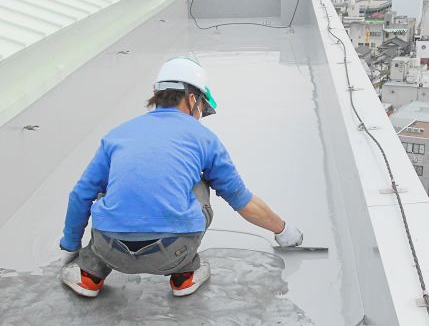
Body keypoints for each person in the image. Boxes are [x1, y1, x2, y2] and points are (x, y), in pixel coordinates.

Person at [59, 57, 303, 298]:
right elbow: (244, 202)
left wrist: (70, 249)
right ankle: (184, 275)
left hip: (109, 251)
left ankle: (89, 275)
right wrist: (284, 231)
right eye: (201, 109)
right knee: (198, 182)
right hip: (173, 254)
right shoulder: (204, 138)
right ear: (192, 99)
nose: (199, 116)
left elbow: (81, 195)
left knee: (111, 188)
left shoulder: (117, 134)